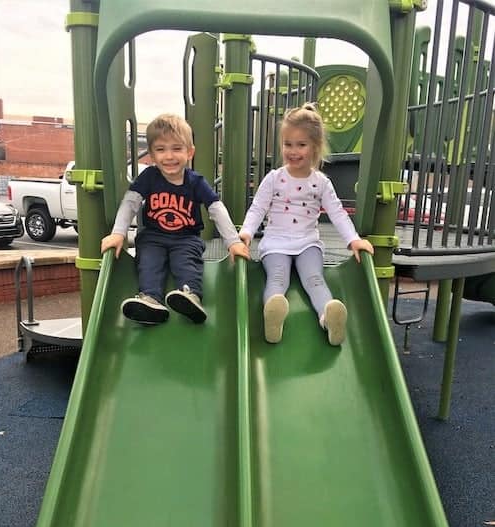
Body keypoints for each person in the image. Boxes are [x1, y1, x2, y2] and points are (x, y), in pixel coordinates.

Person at [239, 103, 373, 345]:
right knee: (277, 279)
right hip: (276, 243)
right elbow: (258, 207)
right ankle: (273, 314)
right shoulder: (274, 179)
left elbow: (338, 213)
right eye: (287, 144)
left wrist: (354, 239)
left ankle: (328, 318)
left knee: (314, 278)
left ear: (315, 147)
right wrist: (246, 232)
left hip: (308, 244)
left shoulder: (320, 182)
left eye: (301, 145)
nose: (293, 151)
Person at [101, 113, 250, 325]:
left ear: (190, 152)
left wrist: (233, 242)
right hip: (153, 236)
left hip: (186, 238)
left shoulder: (195, 182)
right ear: (152, 155)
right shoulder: (149, 177)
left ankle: (190, 296)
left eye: (177, 149)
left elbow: (216, 208)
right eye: (161, 150)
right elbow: (130, 202)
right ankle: (151, 300)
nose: (169, 156)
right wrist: (118, 233)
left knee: (186, 263)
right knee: (149, 262)